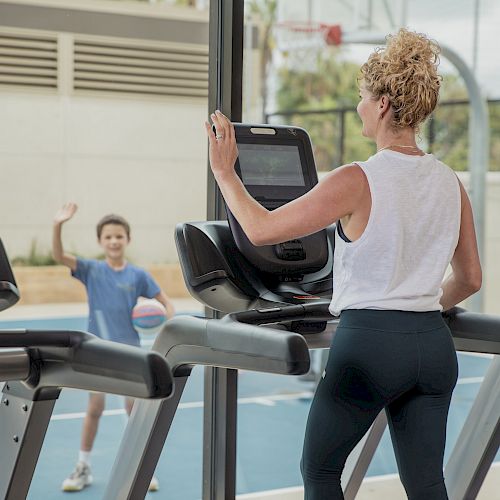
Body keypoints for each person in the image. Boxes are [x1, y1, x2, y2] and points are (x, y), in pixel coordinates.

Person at [205, 28, 482, 500]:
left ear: (383, 106)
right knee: (427, 483)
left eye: (361, 97)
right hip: (433, 349)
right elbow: (471, 278)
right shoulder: (448, 182)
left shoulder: (358, 178)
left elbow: (260, 230)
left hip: (371, 346)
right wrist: (420, 307)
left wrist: (225, 173)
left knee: (320, 472)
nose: (358, 106)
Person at [53, 202, 175, 493]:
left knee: (134, 411)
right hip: (97, 352)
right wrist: (58, 225)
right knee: (94, 408)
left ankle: (140, 467)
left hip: (130, 353)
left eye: (119, 236)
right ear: (100, 241)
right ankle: (83, 467)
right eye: (108, 236)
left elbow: (167, 304)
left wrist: (164, 321)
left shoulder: (138, 276)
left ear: (127, 239)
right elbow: (58, 256)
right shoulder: (91, 270)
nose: (113, 241)